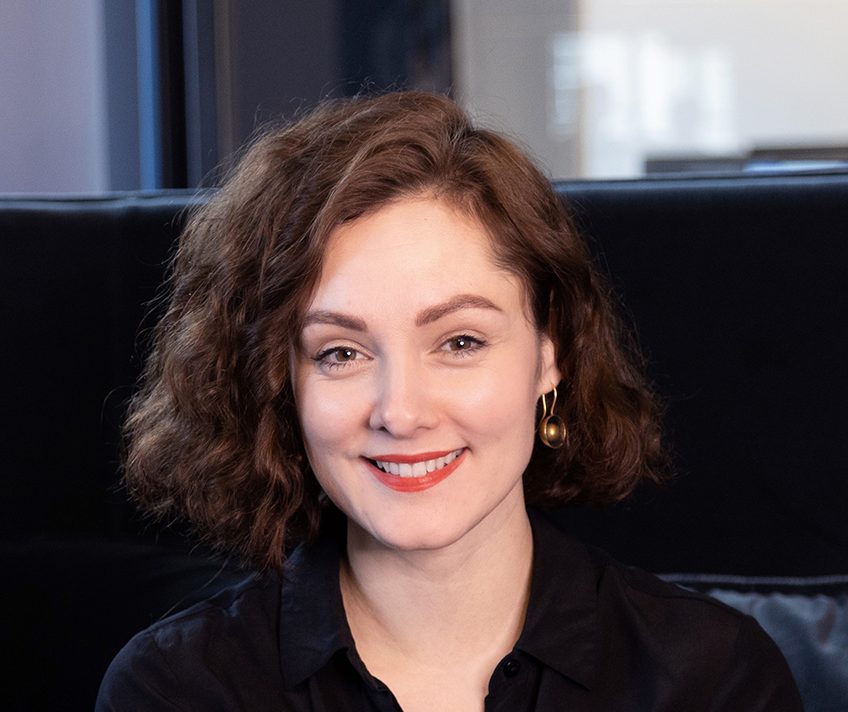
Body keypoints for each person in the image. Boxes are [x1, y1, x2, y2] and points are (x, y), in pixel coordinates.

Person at [97, 91, 802, 711]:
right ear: (279, 382)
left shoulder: (713, 679)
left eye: (460, 342)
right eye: (341, 353)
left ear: (550, 351)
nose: (401, 412)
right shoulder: (179, 690)